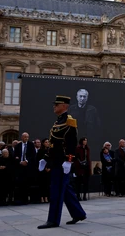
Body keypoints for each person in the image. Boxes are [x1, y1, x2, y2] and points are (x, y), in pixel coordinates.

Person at [37, 95, 86, 229]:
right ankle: (78, 213)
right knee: (65, 190)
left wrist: (69, 160)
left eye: (57, 104)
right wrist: (45, 158)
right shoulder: (58, 122)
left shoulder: (69, 121)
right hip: (55, 161)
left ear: (64, 106)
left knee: (56, 190)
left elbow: (71, 143)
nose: (54, 106)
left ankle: (53, 220)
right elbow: (54, 143)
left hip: (62, 162)